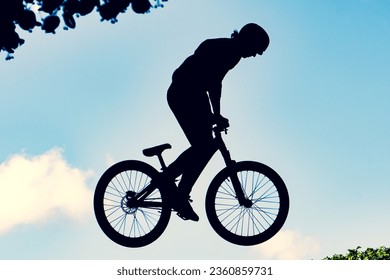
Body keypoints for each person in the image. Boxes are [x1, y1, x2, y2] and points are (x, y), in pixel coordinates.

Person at [160, 23, 270, 221]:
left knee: (205, 146)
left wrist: (216, 115)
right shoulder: (226, 50)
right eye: (256, 50)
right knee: (204, 146)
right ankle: (173, 185)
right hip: (184, 92)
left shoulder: (232, 53)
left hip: (191, 93)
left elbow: (215, 84)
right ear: (249, 41)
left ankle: (179, 192)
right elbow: (212, 83)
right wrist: (215, 115)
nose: (254, 55)